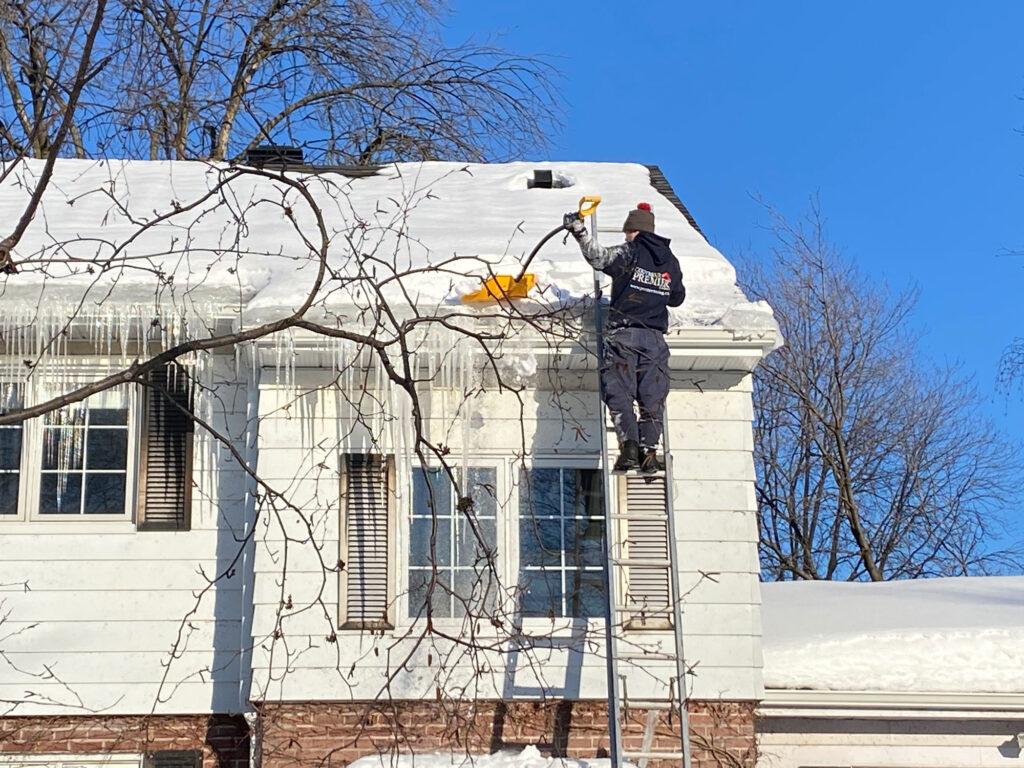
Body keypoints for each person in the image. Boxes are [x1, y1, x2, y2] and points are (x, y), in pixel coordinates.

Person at [565, 201, 685, 474]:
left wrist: (579, 230)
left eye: (627, 232)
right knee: (652, 397)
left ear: (633, 231)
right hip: (655, 338)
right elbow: (677, 298)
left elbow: (599, 258)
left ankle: (629, 446)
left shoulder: (631, 251)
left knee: (619, 390)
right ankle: (650, 452)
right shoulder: (670, 261)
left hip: (625, 334)